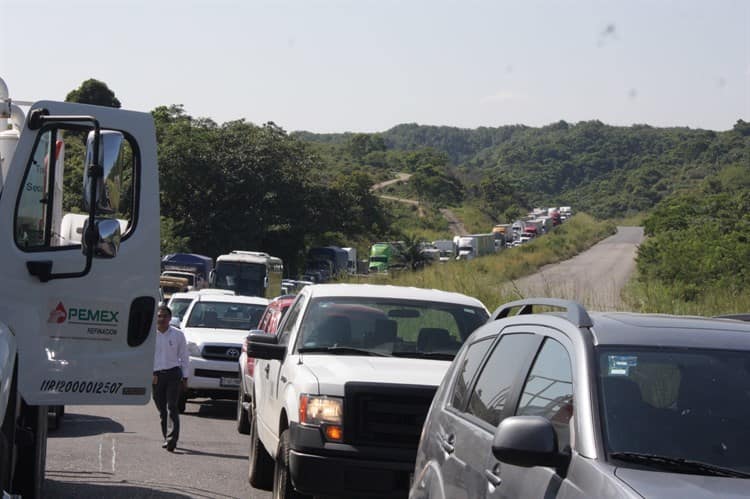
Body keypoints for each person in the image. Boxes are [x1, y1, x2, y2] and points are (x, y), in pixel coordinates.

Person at [152, 305, 188, 452]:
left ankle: (172, 440)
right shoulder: (150, 335)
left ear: (169, 318)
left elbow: (184, 357)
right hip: (156, 376)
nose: (162, 319)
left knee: (172, 406)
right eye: (159, 316)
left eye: (165, 316)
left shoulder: (178, 335)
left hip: (173, 374)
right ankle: (166, 437)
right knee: (162, 410)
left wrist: (185, 376)